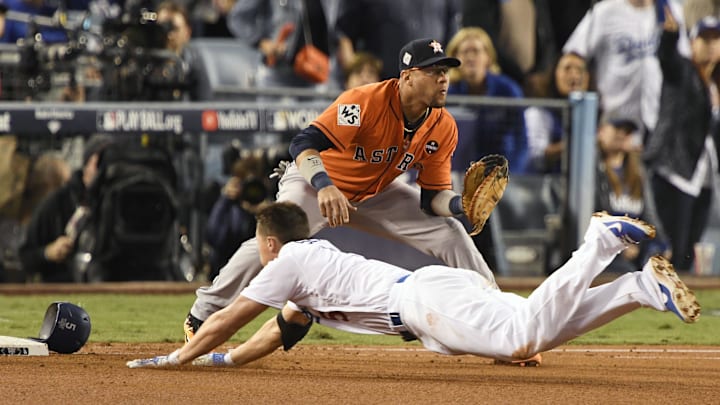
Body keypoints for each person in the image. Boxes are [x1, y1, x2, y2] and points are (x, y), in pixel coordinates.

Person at [127, 201, 700, 370]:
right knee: (535, 336)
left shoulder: (287, 261)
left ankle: (598, 242)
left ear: (268, 244)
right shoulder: (308, 269)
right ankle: (640, 289)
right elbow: (271, 334)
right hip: (434, 295)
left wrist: (179, 358)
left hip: (424, 302)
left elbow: (231, 315)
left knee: (523, 338)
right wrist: (224, 363)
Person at [182, 38, 497, 341]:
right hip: (314, 181)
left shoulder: (443, 126)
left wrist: (461, 204)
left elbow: (432, 199)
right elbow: (303, 144)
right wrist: (324, 185)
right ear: (407, 77)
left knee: (450, 233)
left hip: (378, 193)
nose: (443, 79)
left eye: (445, 71)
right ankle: (201, 315)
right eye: (434, 72)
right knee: (273, 240)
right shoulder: (365, 102)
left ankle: (498, 319)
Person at [643, 11, 720, 272]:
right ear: (693, 42)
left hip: (701, 173)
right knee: (675, 248)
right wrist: (669, 36)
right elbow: (668, 60)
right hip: (674, 170)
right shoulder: (684, 71)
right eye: (704, 39)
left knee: (689, 247)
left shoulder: (712, 83)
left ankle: (678, 301)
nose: (710, 45)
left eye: (715, 39)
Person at [562, 0, 690, 139]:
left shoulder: (672, 11)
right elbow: (573, 55)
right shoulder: (605, 11)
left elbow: (686, 63)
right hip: (615, 123)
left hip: (661, 123)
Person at [18, 134, 112, 282]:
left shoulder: (121, 202)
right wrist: (48, 253)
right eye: (98, 163)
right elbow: (25, 257)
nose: (104, 170)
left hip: (114, 286)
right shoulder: (57, 202)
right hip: (63, 286)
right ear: (87, 165)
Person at [446, 26, 529, 174]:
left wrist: (510, 176)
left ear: (488, 57)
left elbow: (520, 141)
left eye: (476, 51)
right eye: (465, 52)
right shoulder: (448, 93)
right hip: (459, 172)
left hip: (500, 170)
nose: (470, 57)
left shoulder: (508, 90)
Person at [596, 117, 666, 272]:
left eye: (627, 132)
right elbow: (593, 217)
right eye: (617, 128)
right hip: (604, 251)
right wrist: (619, 244)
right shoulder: (592, 169)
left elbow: (649, 214)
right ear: (600, 132)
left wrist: (662, 243)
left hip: (636, 250)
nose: (622, 134)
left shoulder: (638, 173)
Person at [334, 0, 460, 80]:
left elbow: (453, 36)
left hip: (428, 78)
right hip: (381, 79)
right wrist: (354, 72)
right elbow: (344, 34)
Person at [524, 52, 591, 174]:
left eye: (579, 70)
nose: (574, 76)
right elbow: (536, 159)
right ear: (555, 74)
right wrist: (579, 144)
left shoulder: (594, 113)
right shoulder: (538, 113)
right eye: (567, 69)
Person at [205, 156, 268, 280]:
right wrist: (225, 199)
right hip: (224, 271)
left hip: (258, 275)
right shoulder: (229, 206)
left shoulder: (268, 208)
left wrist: (266, 214)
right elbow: (213, 237)